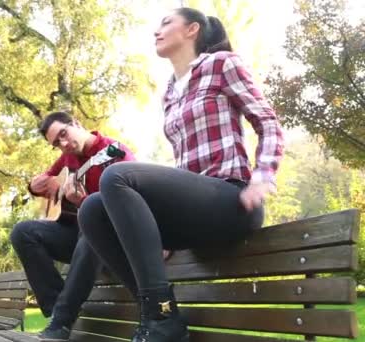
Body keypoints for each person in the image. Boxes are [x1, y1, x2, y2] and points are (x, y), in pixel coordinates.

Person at [77, 7, 284, 342]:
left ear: (192, 30)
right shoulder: (171, 92)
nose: (156, 31)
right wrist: (152, 227)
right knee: (92, 209)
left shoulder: (221, 64)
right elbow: (185, 166)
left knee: (116, 175)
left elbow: (268, 122)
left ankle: (158, 317)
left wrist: (263, 176)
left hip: (231, 201)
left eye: (165, 23)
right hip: (196, 212)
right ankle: (162, 314)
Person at [10, 111, 135, 341]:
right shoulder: (68, 156)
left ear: (76, 123)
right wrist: (34, 187)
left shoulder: (113, 151)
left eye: (64, 135)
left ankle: (62, 321)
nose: (64, 144)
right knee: (22, 232)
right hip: (79, 238)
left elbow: (128, 208)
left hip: (113, 240)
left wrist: (83, 202)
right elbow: (48, 178)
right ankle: (59, 308)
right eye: (57, 143)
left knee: (92, 229)